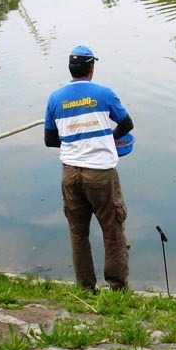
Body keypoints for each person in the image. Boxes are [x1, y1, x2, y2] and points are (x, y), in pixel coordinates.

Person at [44, 45, 134, 292]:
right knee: (112, 231)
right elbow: (127, 124)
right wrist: (109, 139)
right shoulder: (104, 94)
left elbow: (50, 140)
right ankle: (117, 288)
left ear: (71, 69)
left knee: (78, 234)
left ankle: (86, 289)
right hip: (101, 174)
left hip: (70, 174)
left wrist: (78, 140)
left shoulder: (55, 98)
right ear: (91, 67)